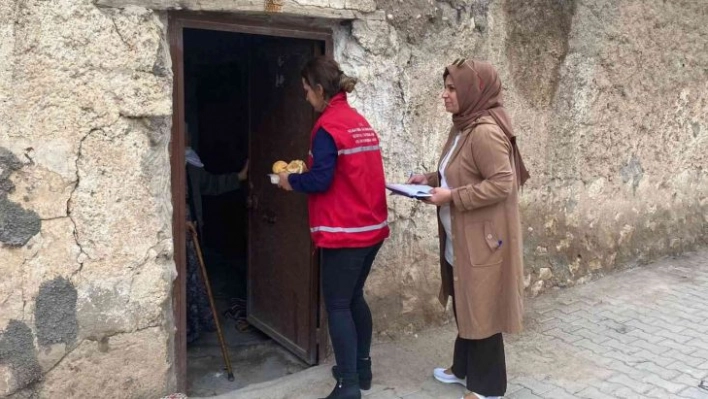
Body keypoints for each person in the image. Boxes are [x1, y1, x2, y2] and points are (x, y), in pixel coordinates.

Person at [407, 59, 529, 399]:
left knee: (482, 308)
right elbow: (456, 172)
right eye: (445, 87)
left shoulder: (485, 132)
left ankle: (488, 387)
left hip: (482, 240)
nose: (444, 95)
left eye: (452, 89)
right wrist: (428, 180)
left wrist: (452, 196)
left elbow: (504, 183)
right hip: (461, 239)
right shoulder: (463, 126)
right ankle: (463, 369)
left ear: (472, 92)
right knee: (466, 302)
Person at [276, 56, 389, 399]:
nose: (305, 97)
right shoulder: (357, 121)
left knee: (337, 304)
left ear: (321, 90)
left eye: (306, 90)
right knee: (354, 298)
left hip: (346, 233)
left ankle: (348, 386)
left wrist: (290, 181)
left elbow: (322, 179)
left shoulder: (327, 127)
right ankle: (361, 368)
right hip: (372, 228)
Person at [185, 127, 249, 343]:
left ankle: (195, 326)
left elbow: (209, 184)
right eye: (187, 134)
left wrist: (239, 177)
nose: (190, 138)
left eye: (189, 134)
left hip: (192, 229)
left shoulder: (191, 163)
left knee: (195, 280)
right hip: (178, 232)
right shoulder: (172, 161)